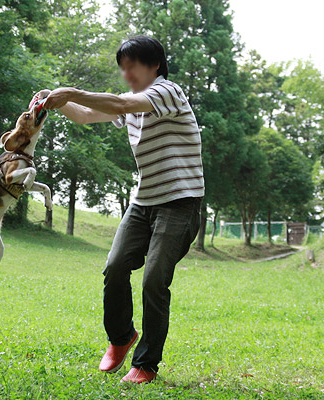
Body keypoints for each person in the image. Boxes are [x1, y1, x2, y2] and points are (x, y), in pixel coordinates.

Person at [34, 35, 203, 384]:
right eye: (122, 68)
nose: (126, 74)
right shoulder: (130, 102)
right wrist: (54, 101)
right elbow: (84, 115)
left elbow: (123, 105)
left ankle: (146, 364)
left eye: (133, 66)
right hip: (143, 202)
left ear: (154, 65)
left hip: (180, 201)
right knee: (114, 267)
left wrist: (72, 91)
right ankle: (122, 337)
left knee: (155, 278)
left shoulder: (167, 92)